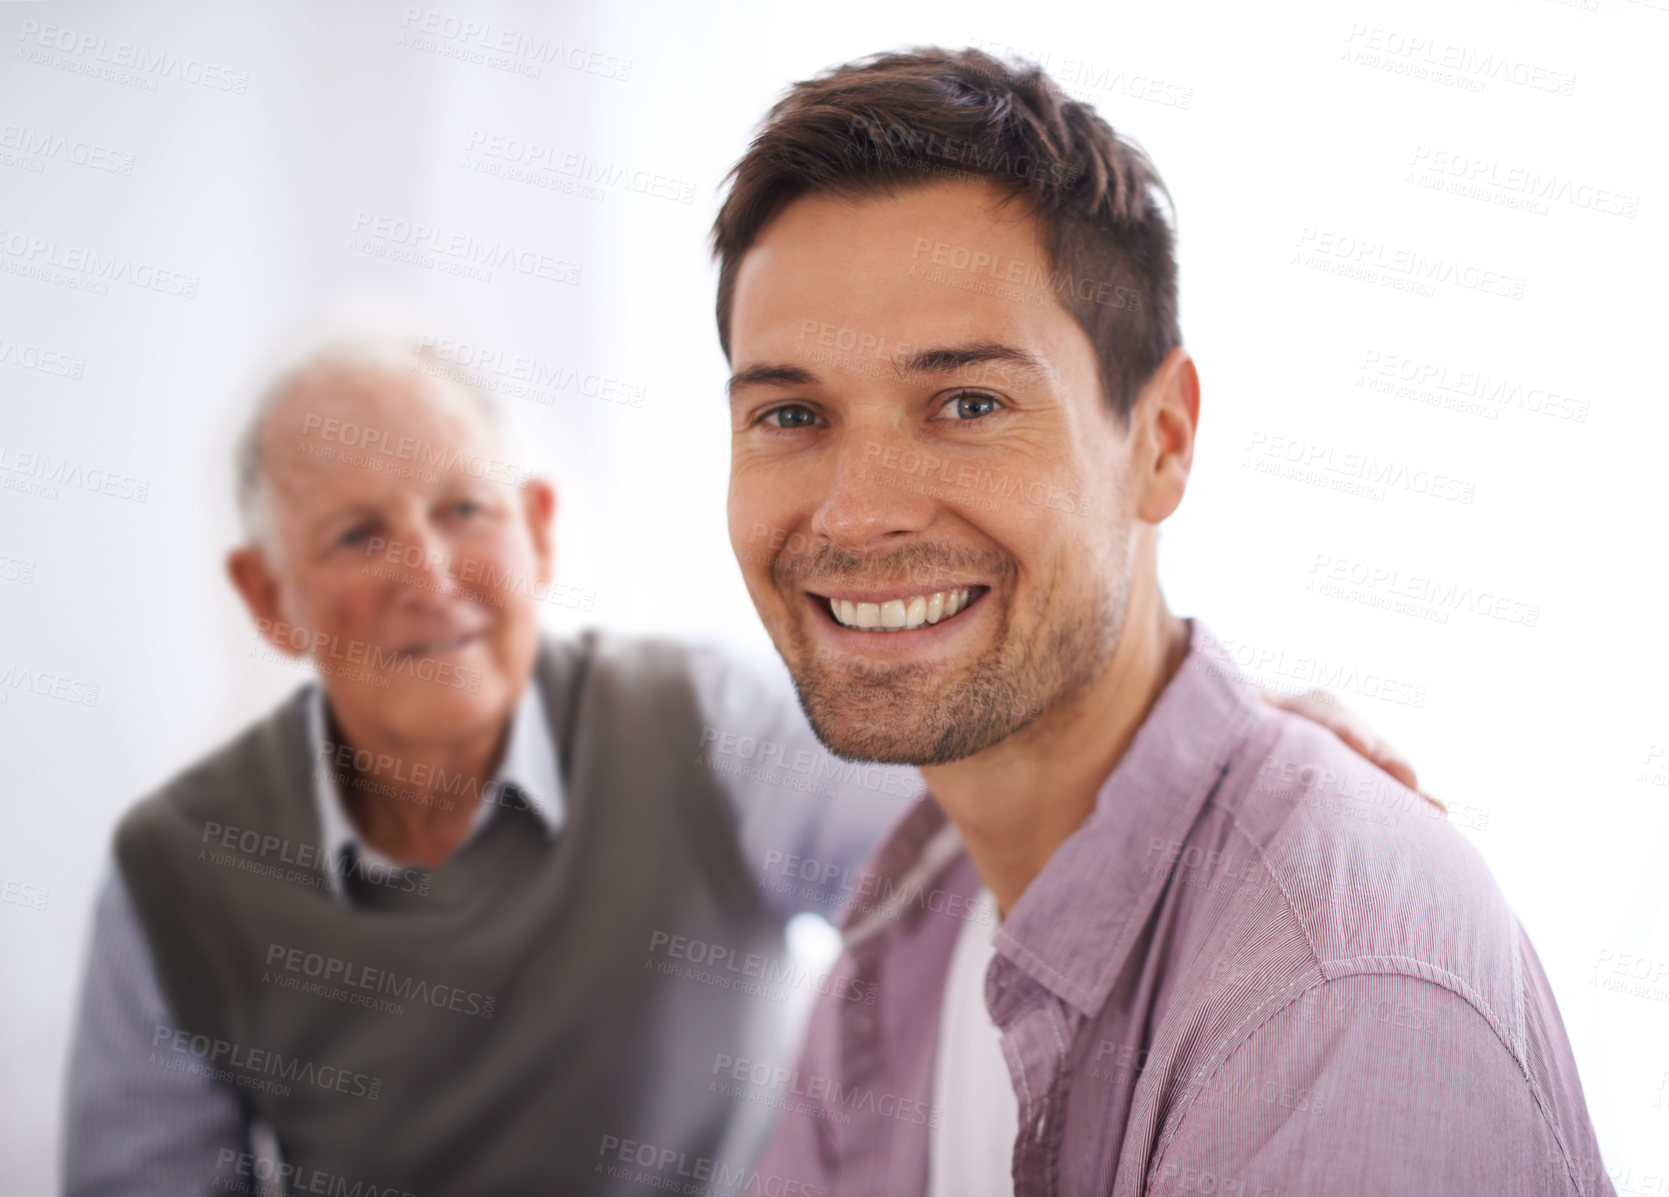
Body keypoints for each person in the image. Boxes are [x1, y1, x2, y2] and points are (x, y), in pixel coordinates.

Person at [711, 47, 1611, 1196]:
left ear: (1162, 440)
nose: (857, 512)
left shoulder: (1333, 988)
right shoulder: (917, 908)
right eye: (791, 413)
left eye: (969, 403)